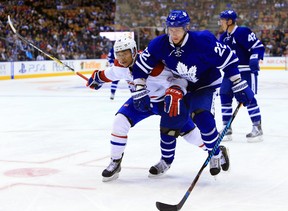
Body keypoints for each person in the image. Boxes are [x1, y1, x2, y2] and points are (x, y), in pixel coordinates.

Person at [131, 10, 255, 176]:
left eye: (178, 29)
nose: (174, 33)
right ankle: (166, 161)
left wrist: (237, 83)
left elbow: (229, 59)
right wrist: (139, 87)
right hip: (178, 87)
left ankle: (215, 154)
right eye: (170, 29)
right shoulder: (159, 44)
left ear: (186, 28)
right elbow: (141, 66)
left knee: (202, 117)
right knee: (169, 123)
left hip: (205, 84)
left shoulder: (203, 40)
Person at [86, 36, 206, 182]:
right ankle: (115, 162)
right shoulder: (120, 65)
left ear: (134, 51)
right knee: (119, 121)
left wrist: (176, 90)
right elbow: (110, 74)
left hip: (164, 102)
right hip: (140, 101)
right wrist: (97, 78)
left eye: (125, 53)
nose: (121, 58)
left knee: (188, 133)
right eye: (118, 54)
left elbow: (178, 79)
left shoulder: (153, 66)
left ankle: (214, 150)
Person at [218, 9, 265, 142]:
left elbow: (258, 46)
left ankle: (257, 126)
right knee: (224, 95)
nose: (220, 22)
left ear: (230, 21)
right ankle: (227, 127)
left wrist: (254, 58)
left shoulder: (243, 32)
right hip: (230, 71)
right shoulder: (223, 37)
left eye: (222, 20)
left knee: (248, 97)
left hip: (245, 71)